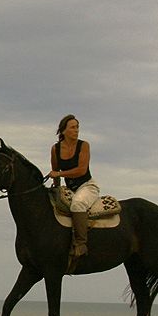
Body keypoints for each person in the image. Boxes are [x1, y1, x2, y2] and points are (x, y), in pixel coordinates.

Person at [49, 114, 100, 272]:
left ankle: (80, 244)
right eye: (72, 127)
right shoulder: (56, 149)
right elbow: (55, 170)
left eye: (77, 127)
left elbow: (81, 170)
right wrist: (56, 188)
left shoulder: (84, 145)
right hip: (69, 189)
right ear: (63, 130)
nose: (76, 130)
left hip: (86, 186)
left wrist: (59, 175)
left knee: (78, 204)